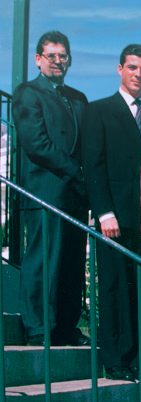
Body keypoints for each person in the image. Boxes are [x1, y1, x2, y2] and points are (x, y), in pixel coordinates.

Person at [82, 44, 141, 381]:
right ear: (120, 69)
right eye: (132, 67)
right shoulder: (99, 111)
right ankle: (115, 360)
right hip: (114, 220)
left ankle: (137, 361)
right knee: (115, 288)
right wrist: (104, 212)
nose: (138, 74)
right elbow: (94, 165)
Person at [12, 31, 89, 346]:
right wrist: (75, 171)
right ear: (38, 59)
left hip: (75, 194)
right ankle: (38, 327)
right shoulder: (28, 93)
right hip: (45, 192)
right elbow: (36, 143)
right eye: (52, 55)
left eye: (64, 56)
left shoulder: (78, 98)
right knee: (44, 261)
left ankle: (67, 327)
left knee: (72, 264)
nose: (59, 61)